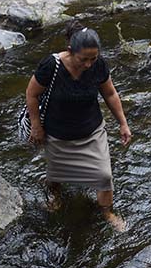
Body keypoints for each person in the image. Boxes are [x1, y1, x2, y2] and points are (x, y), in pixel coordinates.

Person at [25, 21, 132, 231]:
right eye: (84, 59)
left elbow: (109, 93)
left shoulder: (98, 64)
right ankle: (56, 196)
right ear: (70, 51)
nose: (89, 64)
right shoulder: (51, 66)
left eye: (93, 58)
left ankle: (107, 212)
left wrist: (123, 123)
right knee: (55, 174)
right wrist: (36, 126)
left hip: (91, 131)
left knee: (104, 175)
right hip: (58, 133)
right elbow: (32, 94)